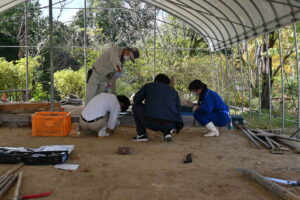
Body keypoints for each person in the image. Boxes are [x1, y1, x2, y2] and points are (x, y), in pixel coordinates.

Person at [132, 74, 184, 142]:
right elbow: (179, 110)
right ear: (167, 84)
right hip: (171, 125)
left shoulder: (148, 86)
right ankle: (167, 133)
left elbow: (136, 100)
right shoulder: (174, 91)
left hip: (151, 122)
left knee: (136, 106)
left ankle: (142, 134)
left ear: (155, 81)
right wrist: (177, 126)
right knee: (167, 114)